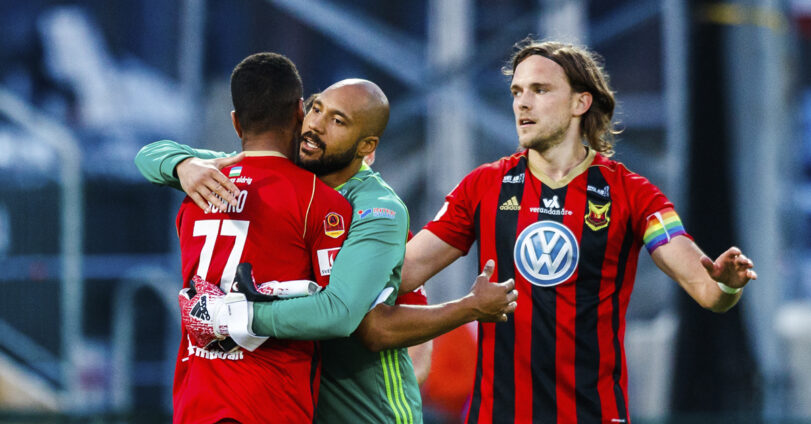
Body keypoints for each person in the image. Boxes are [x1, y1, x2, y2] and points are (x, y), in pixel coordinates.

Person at [398, 38, 758, 423]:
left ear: (580, 103)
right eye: (517, 91)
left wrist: (727, 284)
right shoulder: (484, 186)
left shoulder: (633, 194)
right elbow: (402, 273)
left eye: (540, 90)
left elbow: (706, 290)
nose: (522, 103)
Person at [136, 79, 517, 423]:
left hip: (368, 411)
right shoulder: (285, 173)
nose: (316, 125)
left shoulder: (376, 209)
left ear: (366, 147)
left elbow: (363, 323)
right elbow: (151, 154)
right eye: (316, 108)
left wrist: (232, 316)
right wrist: (183, 164)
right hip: (301, 404)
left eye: (338, 121)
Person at [171, 52, 352, 423]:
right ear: (300, 112)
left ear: (236, 122)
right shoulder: (318, 201)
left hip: (195, 405)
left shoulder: (195, 195)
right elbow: (336, 312)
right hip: (269, 405)